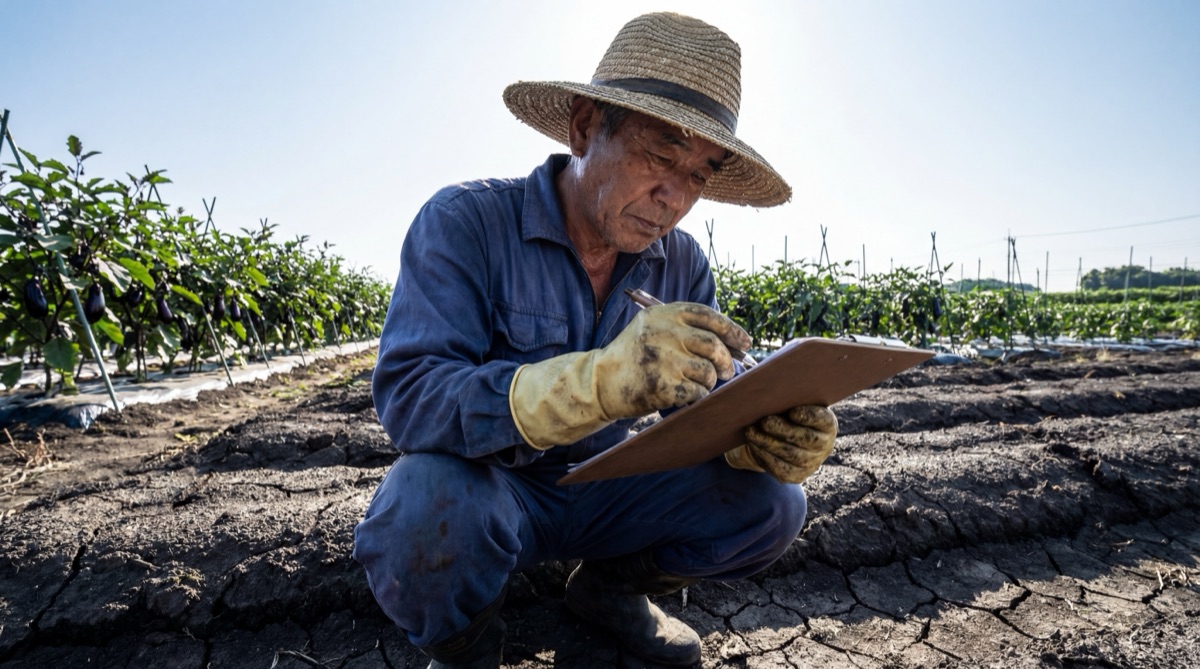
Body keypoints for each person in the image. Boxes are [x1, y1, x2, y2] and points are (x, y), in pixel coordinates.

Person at [354, 12, 838, 669]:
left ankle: (610, 592)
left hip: (608, 489)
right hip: (497, 491)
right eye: (661, 153)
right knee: (420, 508)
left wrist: (756, 430)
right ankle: (465, 646)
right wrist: (596, 382)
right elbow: (413, 401)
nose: (674, 196)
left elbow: (697, 412)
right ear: (585, 127)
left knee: (773, 504)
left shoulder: (683, 265)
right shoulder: (466, 223)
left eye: (699, 173)